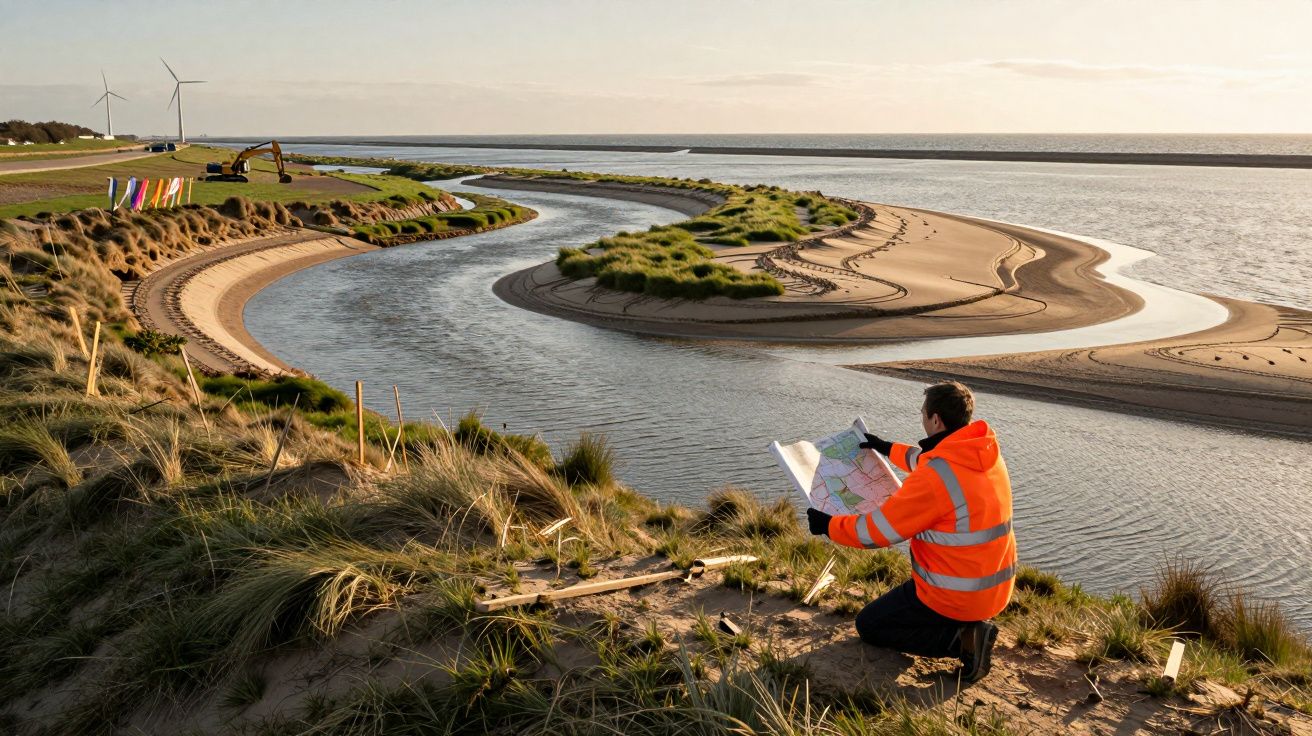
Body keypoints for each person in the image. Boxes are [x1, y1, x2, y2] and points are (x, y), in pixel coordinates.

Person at [806, 381, 1016, 683]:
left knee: (870, 625)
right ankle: (967, 627)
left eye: (923, 413)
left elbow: (875, 532)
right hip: (994, 588)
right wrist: (887, 448)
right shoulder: (984, 454)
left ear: (935, 420)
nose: (921, 417)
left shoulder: (936, 477)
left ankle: (965, 640)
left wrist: (828, 526)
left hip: (956, 595)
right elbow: (929, 461)